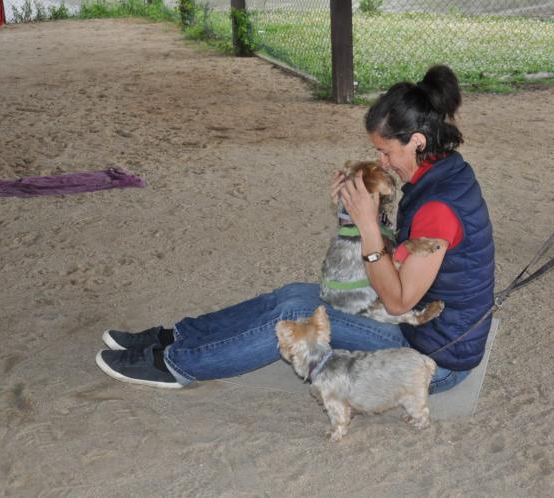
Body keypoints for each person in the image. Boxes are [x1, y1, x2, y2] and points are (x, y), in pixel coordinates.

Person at [96, 65, 495, 394]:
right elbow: (401, 256)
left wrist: (368, 224)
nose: (382, 161)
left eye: (386, 151)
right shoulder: (440, 172)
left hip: (433, 357)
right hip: (420, 329)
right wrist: (352, 217)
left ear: (418, 141)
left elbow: (397, 301)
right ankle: (176, 337)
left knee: (298, 314)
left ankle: (176, 365)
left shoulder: (438, 207)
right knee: (293, 295)